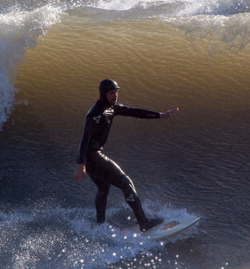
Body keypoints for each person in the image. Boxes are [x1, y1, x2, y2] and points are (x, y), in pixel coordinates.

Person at [72, 78, 179, 230]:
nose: (115, 96)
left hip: (91, 157)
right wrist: (81, 164)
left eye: (116, 92)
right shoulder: (94, 114)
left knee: (103, 188)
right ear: (103, 94)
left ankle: (100, 225)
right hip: (91, 155)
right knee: (125, 182)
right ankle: (144, 222)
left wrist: (160, 115)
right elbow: (85, 139)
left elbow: (134, 111)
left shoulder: (113, 107)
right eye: (111, 93)